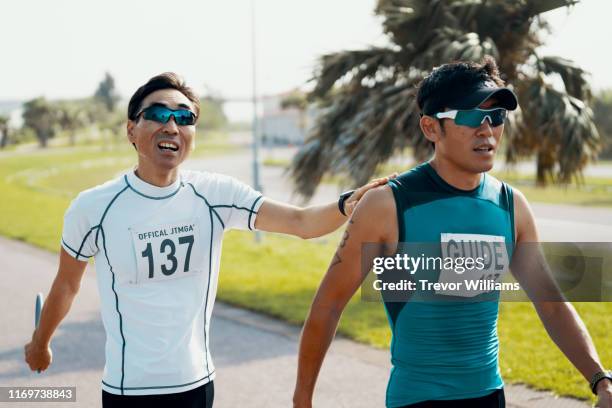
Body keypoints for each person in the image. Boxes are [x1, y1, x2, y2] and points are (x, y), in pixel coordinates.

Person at [24, 72, 391, 407]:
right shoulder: (94, 207)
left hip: (196, 386)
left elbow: (301, 222)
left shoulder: (214, 194)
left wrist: (347, 203)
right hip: (127, 390)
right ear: (131, 130)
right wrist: (40, 343)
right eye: (158, 114)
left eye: (185, 118)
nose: (172, 125)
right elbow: (67, 285)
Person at [292, 57, 612, 408]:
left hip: (490, 398)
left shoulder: (511, 206)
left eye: (497, 117)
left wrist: (600, 379)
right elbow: (328, 305)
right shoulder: (387, 205)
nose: (487, 130)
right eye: (473, 116)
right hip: (417, 400)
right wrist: (303, 399)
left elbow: (550, 304)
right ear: (431, 128)